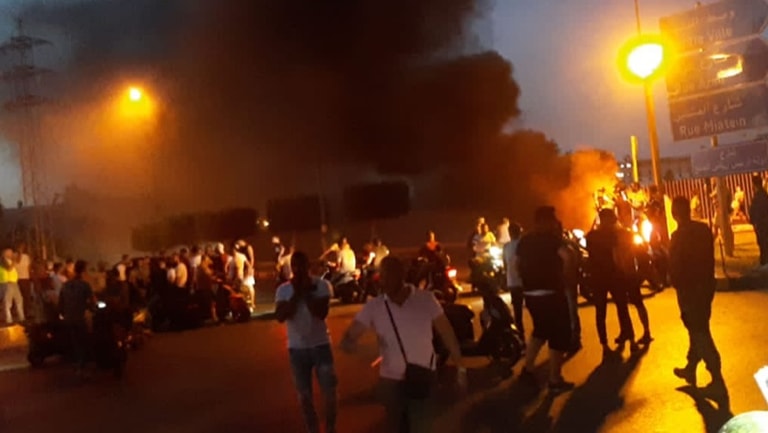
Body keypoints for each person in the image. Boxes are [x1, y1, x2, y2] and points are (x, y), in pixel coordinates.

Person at [340, 256, 466, 433]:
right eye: (382, 276)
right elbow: (348, 339)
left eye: (388, 275)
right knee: (396, 426)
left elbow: (447, 333)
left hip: (423, 377)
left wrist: (460, 368)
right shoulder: (374, 306)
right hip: (391, 383)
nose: (383, 281)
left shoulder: (425, 299)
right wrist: (364, 350)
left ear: (401, 275)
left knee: (421, 426)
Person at [275, 252, 337, 433]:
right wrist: (297, 294)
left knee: (330, 393)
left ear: (308, 266)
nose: (298, 270)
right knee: (304, 396)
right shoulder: (284, 290)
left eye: (301, 265)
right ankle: (313, 429)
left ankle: (331, 428)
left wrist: (307, 292)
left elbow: (321, 313)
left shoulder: (321, 285)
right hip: (297, 348)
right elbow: (280, 316)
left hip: (320, 344)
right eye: (294, 266)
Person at [515, 206, 574, 393]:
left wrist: (526, 282)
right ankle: (555, 379)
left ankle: (528, 368)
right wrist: (565, 277)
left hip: (531, 294)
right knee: (558, 335)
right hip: (552, 293)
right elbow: (567, 257)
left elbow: (516, 264)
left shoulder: (525, 240)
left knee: (540, 331)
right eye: (553, 219)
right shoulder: (553, 239)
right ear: (546, 221)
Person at [669, 196, 725, 394]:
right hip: (706, 287)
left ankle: (715, 373)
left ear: (674, 214)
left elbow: (675, 268)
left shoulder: (678, 237)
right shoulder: (703, 230)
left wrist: (673, 281)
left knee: (699, 331)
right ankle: (691, 367)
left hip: (690, 291)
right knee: (698, 328)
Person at [586, 209, 637, 354]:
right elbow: (616, 255)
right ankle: (632, 341)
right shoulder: (612, 235)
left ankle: (604, 345)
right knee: (622, 309)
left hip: (597, 278)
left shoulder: (591, 236)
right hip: (614, 276)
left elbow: (589, 254)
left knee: (600, 312)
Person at [58, 260, 95, 375]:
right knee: (84, 338)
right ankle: (83, 361)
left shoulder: (66, 285)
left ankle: (78, 361)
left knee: (75, 340)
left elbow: (61, 303)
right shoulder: (84, 285)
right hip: (80, 317)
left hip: (69, 318)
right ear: (83, 271)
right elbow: (92, 301)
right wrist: (92, 308)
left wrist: (63, 313)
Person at [502, 222, 525, 340]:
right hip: (525, 282)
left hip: (512, 282)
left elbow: (505, 265)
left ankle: (521, 336)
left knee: (517, 311)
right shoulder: (523, 244)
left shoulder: (506, 247)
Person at [0, 248, 24, 324]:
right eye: (10, 252)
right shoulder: (2, 260)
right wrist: (14, 260)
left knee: (19, 300)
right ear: (5, 253)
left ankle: (21, 318)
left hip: (14, 283)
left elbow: (18, 261)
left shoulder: (10, 260)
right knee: (8, 302)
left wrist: (20, 253)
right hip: (6, 283)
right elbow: (9, 269)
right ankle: (8, 319)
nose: (12, 253)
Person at [749, 175, 768, 266]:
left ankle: (764, 262)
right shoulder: (764, 195)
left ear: (754, 184)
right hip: (762, 224)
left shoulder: (759, 197)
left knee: (763, 244)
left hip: (762, 225)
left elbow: (756, 211)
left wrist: (755, 222)